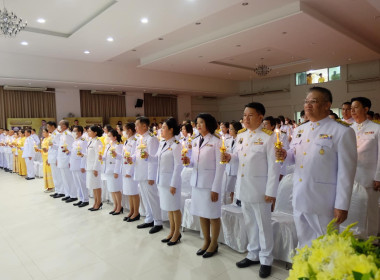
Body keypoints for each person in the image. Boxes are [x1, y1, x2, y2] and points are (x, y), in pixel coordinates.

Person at [276, 86, 357, 248]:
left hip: (324, 201)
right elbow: (295, 156)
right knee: (304, 243)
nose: (307, 105)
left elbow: (346, 173)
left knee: (327, 245)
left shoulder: (341, 131)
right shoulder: (300, 130)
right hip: (300, 197)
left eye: (313, 101)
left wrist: (342, 205)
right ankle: (305, 271)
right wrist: (285, 155)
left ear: (327, 105)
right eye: (306, 102)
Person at [223, 103, 280, 278]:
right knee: (249, 222)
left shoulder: (268, 137)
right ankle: (253, 254)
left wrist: (271, 191)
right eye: (244, 115)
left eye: (250, 115)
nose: (246, 119)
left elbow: (274, 167)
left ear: (260, 117)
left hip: (261, 190)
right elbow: (240, 158)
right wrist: (229, 157)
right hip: (244, 188)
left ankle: (266, 259)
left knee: (263, 225)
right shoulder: (241, 136)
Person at [182, 113, 225, 258]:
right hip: (197, 182)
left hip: (209, 184)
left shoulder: (217, 141)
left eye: (201, 122)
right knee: (201, 212)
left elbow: (221, 166)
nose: (198, 125)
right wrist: (188, 161)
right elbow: (194, 161)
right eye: (197, 122)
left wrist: (216, 188)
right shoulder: (195, 141)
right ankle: (206, 241)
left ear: (209, 124)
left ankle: (214, 243)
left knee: (212, 214)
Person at [351, 97, 380, 237]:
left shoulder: (376, 129)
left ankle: (372, 238)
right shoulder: (349, 130)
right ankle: (356, 236)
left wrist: (378, 176)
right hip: (351, 177)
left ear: (366, 109)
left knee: (370, 210)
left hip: (369, 177)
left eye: (356, 107)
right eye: (351, 108)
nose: (352, 111)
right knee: (354, 208)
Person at [155, 118, 183, 245]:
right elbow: (156, 158)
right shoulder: (163, 143)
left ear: (171, 130)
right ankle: (171, 231)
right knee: (168, 208)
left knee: (175, 208)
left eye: (164, 128)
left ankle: (177, 233)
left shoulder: (176, 145)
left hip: (171, 182)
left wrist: (173, 184)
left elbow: (178, 166)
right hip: (162, 180)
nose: (162, 130)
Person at [133, 117, 163, 234]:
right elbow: (137, 154)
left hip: (148, 173)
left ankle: (158, 221)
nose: (135, 128)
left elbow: (153, 159)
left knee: (152, 197)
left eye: (137, 125)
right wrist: (131, 158)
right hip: (140, 171)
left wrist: (151, 176)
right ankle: (149, 218)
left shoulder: (152, 139)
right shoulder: (139, 138)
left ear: (144, 126)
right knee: (145, 197)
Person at [101, 129, 123, 215]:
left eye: (109, 136)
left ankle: (119, 206)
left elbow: (119, 159)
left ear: (114, 137)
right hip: (108, 170)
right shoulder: (108, 146)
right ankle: (115, 205)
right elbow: (106, 156)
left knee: (116, 189)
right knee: (112, 190)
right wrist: (101, 157)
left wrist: (116, 171)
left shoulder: (118, 146)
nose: (108, 137)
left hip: (114, 170)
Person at [122, 123, 140, 222]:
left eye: (124, 130)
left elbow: (134, 156)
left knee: (134, 192)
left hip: (131, 170)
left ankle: (136, 212)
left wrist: (129, 170)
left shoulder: (135, 141)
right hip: (125, 168)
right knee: (129, 192)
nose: (123, 132)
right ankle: (131, 210)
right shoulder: (127, 141)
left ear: (129, 130)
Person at [222, 121, 242, 204]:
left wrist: (229, 155)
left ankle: (235, 204)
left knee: (236, 190)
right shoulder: (228, 140)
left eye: (231, 129)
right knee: (230, 190)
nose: (229, 130)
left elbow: (239, 154)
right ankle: (231, 204)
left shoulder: (241, 140)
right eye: (229, 129)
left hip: (237, 168)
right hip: (229, 168)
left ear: (236, 130)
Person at [57, 120, 77, 203]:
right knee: (64, 178)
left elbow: (71, 147)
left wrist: (70, 160)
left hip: (66, 159)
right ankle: (67, 193)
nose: (59, 126)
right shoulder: (62, 135)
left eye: (60, 125)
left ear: (64, 126)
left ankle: (73, 195)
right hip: (61, 158)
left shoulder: (68, 135)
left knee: (69, 178)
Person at [70, 126, 89, 207]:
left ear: (80, 132)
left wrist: (83, 166)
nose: (73, 133)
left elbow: (84, 154)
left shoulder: (83, 141)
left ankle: (85, 200)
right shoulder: (75, 141)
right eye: (73, 131)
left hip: (80, 165)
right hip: (74, 164)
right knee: (77, 183)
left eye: (75, 131)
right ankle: (80, 198)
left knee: (82, 183)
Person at [85, 126, 104, 211]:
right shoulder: (91, 141)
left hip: (94, 167)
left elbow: (97, 156)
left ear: (95, 132)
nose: (88, 133)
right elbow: (90, 154)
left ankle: (98, 202)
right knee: (93, 186)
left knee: (97, 185)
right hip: (89, 166)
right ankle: (95, 202)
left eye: (90, 131)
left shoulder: (97, 142)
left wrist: (95, 168)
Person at [47, 122, 65, 198]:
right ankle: (57, 190)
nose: (47, 128)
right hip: (51, 156)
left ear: (53, 126)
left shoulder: (57, 134)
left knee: (58, 175)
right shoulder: (52, 134)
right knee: (54, 175)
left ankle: (61, 191)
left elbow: (59, 147)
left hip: (55, 156)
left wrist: (52, 145)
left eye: (48, 126)